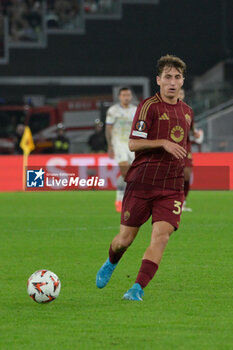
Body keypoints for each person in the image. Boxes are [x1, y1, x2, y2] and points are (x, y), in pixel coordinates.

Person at [96, 54, 193, 301]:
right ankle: (111, 261)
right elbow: (132, 144)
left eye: (177, 77)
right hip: (142, 183)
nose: (173, 82)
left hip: (171, 187)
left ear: (183, 81)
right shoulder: (149, 106)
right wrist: (163, 143)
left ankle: (136, 289)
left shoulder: (187, 112)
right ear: (158, 80)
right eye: (168, 77)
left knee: (161, 238)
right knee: (124, 240)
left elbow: (183, 145)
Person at [105, 87, 137, 212]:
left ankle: (120, 198)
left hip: (132, 144)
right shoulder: (113, 111)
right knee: (125, 172)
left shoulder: (135, 110)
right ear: (119, 97)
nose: (126, 97)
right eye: (124, 95)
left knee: (131, 174)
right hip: (118, 143)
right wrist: (110, 146)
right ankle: (121, 200)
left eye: (128, 95)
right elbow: (108, 129)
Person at [178, 88, 203, 211]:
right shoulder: (165, 109)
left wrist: (195, 134)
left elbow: (192, 129)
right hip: (171, 147)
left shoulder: (188, 111)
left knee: (187, 174)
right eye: (178, 92)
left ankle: (183, 201)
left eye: (182, 93)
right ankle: (171, 201)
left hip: (185, 147)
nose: (180, 95)